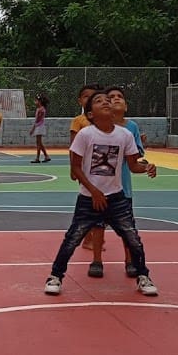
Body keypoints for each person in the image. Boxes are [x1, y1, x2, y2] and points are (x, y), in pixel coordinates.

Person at [44, 89, 159, 298]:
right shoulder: (85, 135)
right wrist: (94, 191)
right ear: (90, 114)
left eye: (107, 100)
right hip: (89, 199)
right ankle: (55, 276)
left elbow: (133, 165)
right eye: (98, 101)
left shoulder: (124, 135)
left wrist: (147, 167)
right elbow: (76, 167)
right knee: (73, 238)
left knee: (132, 237)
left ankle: (143, 276)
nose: (106, 102)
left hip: (116, 198)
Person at [105, 86, 148, 278]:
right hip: (101, 186)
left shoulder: (131, 128)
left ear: (126, 105)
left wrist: (143, 162)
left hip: (123, 188)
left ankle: (130, 260)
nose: (115, 99)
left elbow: (135, 156)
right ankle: (96, 260)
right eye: (111, 97)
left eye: (119, 97)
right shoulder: (98, 127)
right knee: (95, 226)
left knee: (127, 227)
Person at [69, 83, 107, 271]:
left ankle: (93, 237)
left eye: (94, 97)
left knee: (100, 205)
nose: (89, 100)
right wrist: (72, 168)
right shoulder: (79, 121)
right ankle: (87, 238)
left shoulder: (104, 122)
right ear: (80, 100)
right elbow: (73, 146)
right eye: (86, 97)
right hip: (85, 171)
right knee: (90, 205)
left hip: (101, 171)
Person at [29, 94, 51, 163]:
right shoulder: (39, 109)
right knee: (39, 142)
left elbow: (37, 120)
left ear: (39, 101)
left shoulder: (41, 109)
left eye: (36, 101)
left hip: (39, 126)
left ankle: (38, 158)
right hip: (39, 126)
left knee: (38, 143)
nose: (35, 102)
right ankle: (46, 156)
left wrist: (33, 129)